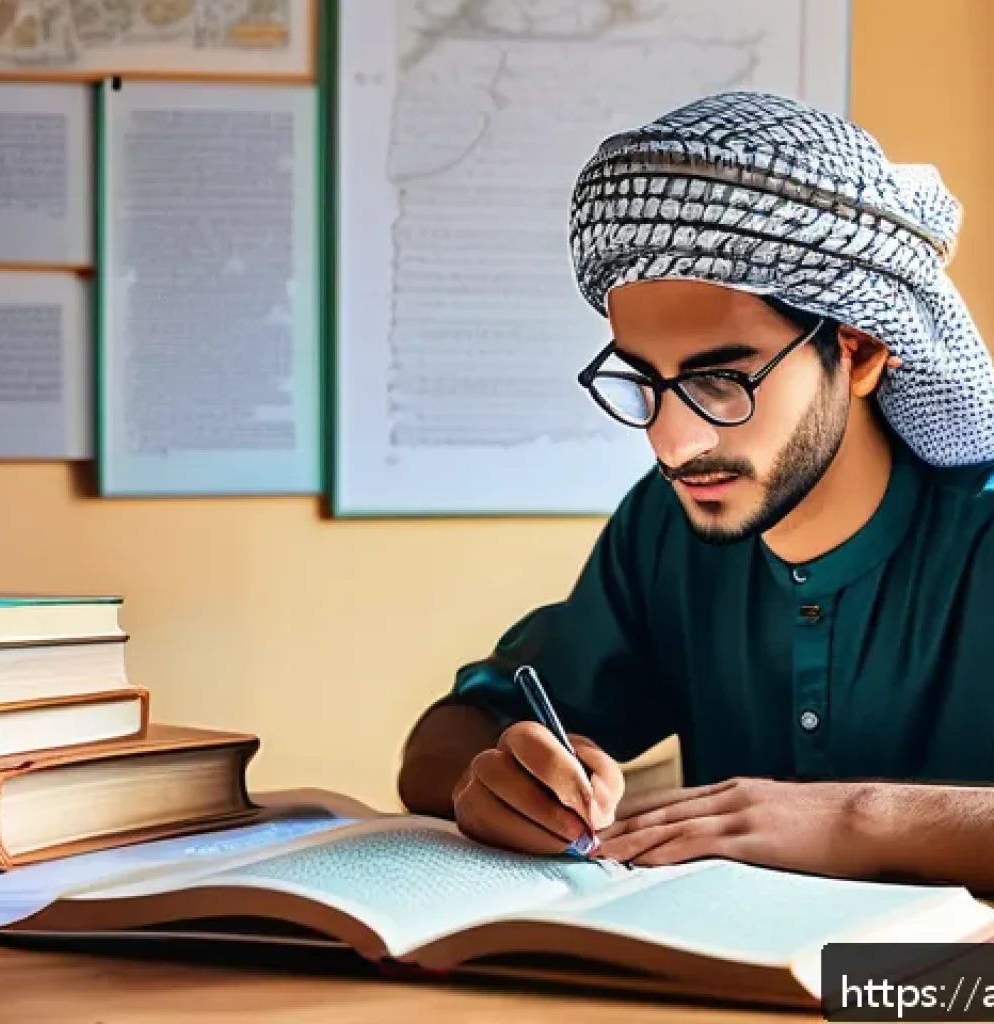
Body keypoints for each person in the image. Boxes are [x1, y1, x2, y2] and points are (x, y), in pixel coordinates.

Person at [397, 90, 994, 891]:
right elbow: (452, 733)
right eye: (644, 381)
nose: (673, 442)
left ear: (856, 352)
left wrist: (859, 820)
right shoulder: (667, 525)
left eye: (720, 380)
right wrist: (493, 776)